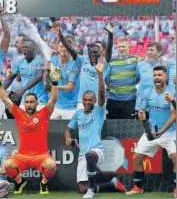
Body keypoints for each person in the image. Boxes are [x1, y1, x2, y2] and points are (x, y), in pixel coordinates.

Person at [0, 65, 59, 195]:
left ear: (37, 103)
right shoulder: (19, 113)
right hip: (23, 155)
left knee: (51, 165)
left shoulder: (44, 114)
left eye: (32, 102)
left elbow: (53, 99)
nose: (29, 104)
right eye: (27, 102)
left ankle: (43, 183)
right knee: (7, 165)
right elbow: (5, 98)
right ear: (24, 103)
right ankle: (19, 181)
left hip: (41, 155)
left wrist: (55, 83)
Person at [64, 57, 126, 198]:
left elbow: (102, 94)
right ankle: (112, 184)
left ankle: (92, 189)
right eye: (85, 100)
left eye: (90, 100)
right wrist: (68, 137)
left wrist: (100, 74)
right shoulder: (78, 114)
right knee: (81, 189)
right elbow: (68, 129)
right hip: (82, 154)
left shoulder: (98, 112)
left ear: (94, 101)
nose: (87, 102)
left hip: (97, 150)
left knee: (90, 156)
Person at [127, 66, 176, 198]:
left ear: (165, 77)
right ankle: (138, 187)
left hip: (170, 132)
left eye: (160, 75)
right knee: (136, 157)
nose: (157, 78)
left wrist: (163, 130)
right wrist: (141, 115)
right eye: (155, 75)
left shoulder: (172, 92)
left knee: (176, 158)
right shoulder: (147, 92)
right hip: (152, 132)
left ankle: (176, 189)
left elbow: (174, 114)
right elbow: (142, 110)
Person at [56, 22, 112, 110]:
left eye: (97, 49)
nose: (94, 52)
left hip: (98, 103)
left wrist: (110, 34)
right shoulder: (83, 60)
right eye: (92, 50)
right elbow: (70, 49)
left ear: (101, 52)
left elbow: (109, 49)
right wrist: (60, 34)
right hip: (82, 103)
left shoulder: (104, 63)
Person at [3, 38, 48, 109]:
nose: (24, 49)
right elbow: (10, 78)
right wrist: (1, 90)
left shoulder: (41, 60)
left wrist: (23, 90)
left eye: (27, 47)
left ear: (33, 49)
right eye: (23, 47)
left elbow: (38, 77)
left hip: (39, 101)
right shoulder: (20, 63)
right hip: (25, 101)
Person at [106, 37, 141, 119]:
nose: (121, 49)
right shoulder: (111, 60)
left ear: (129, 47)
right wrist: (109, 86)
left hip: (129, 100)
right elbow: (106, 78)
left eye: (123, 46)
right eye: (119, 47)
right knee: (112, 126)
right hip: (113, 100)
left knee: (128, 127)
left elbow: (138, 78)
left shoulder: (135, 60)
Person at [47, 36, 79, 120]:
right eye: (61, 46)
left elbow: (70, 87)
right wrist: (46, 72)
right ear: (57, 48)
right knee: (51, 131)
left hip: (71, 106)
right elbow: (51, 79)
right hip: (55, 105)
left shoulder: (75, 63)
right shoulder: (53, 61)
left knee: (70, 132)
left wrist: (54, 87)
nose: (63, 49)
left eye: (66, 46)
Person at [135, 42, 165, 114]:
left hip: (159, 106)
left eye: (151, 50)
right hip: (142, 106)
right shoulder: (140, 65)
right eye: (147, 50)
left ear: (159, 52)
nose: (148, 52)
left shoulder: (165, 66)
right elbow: (137, 79)